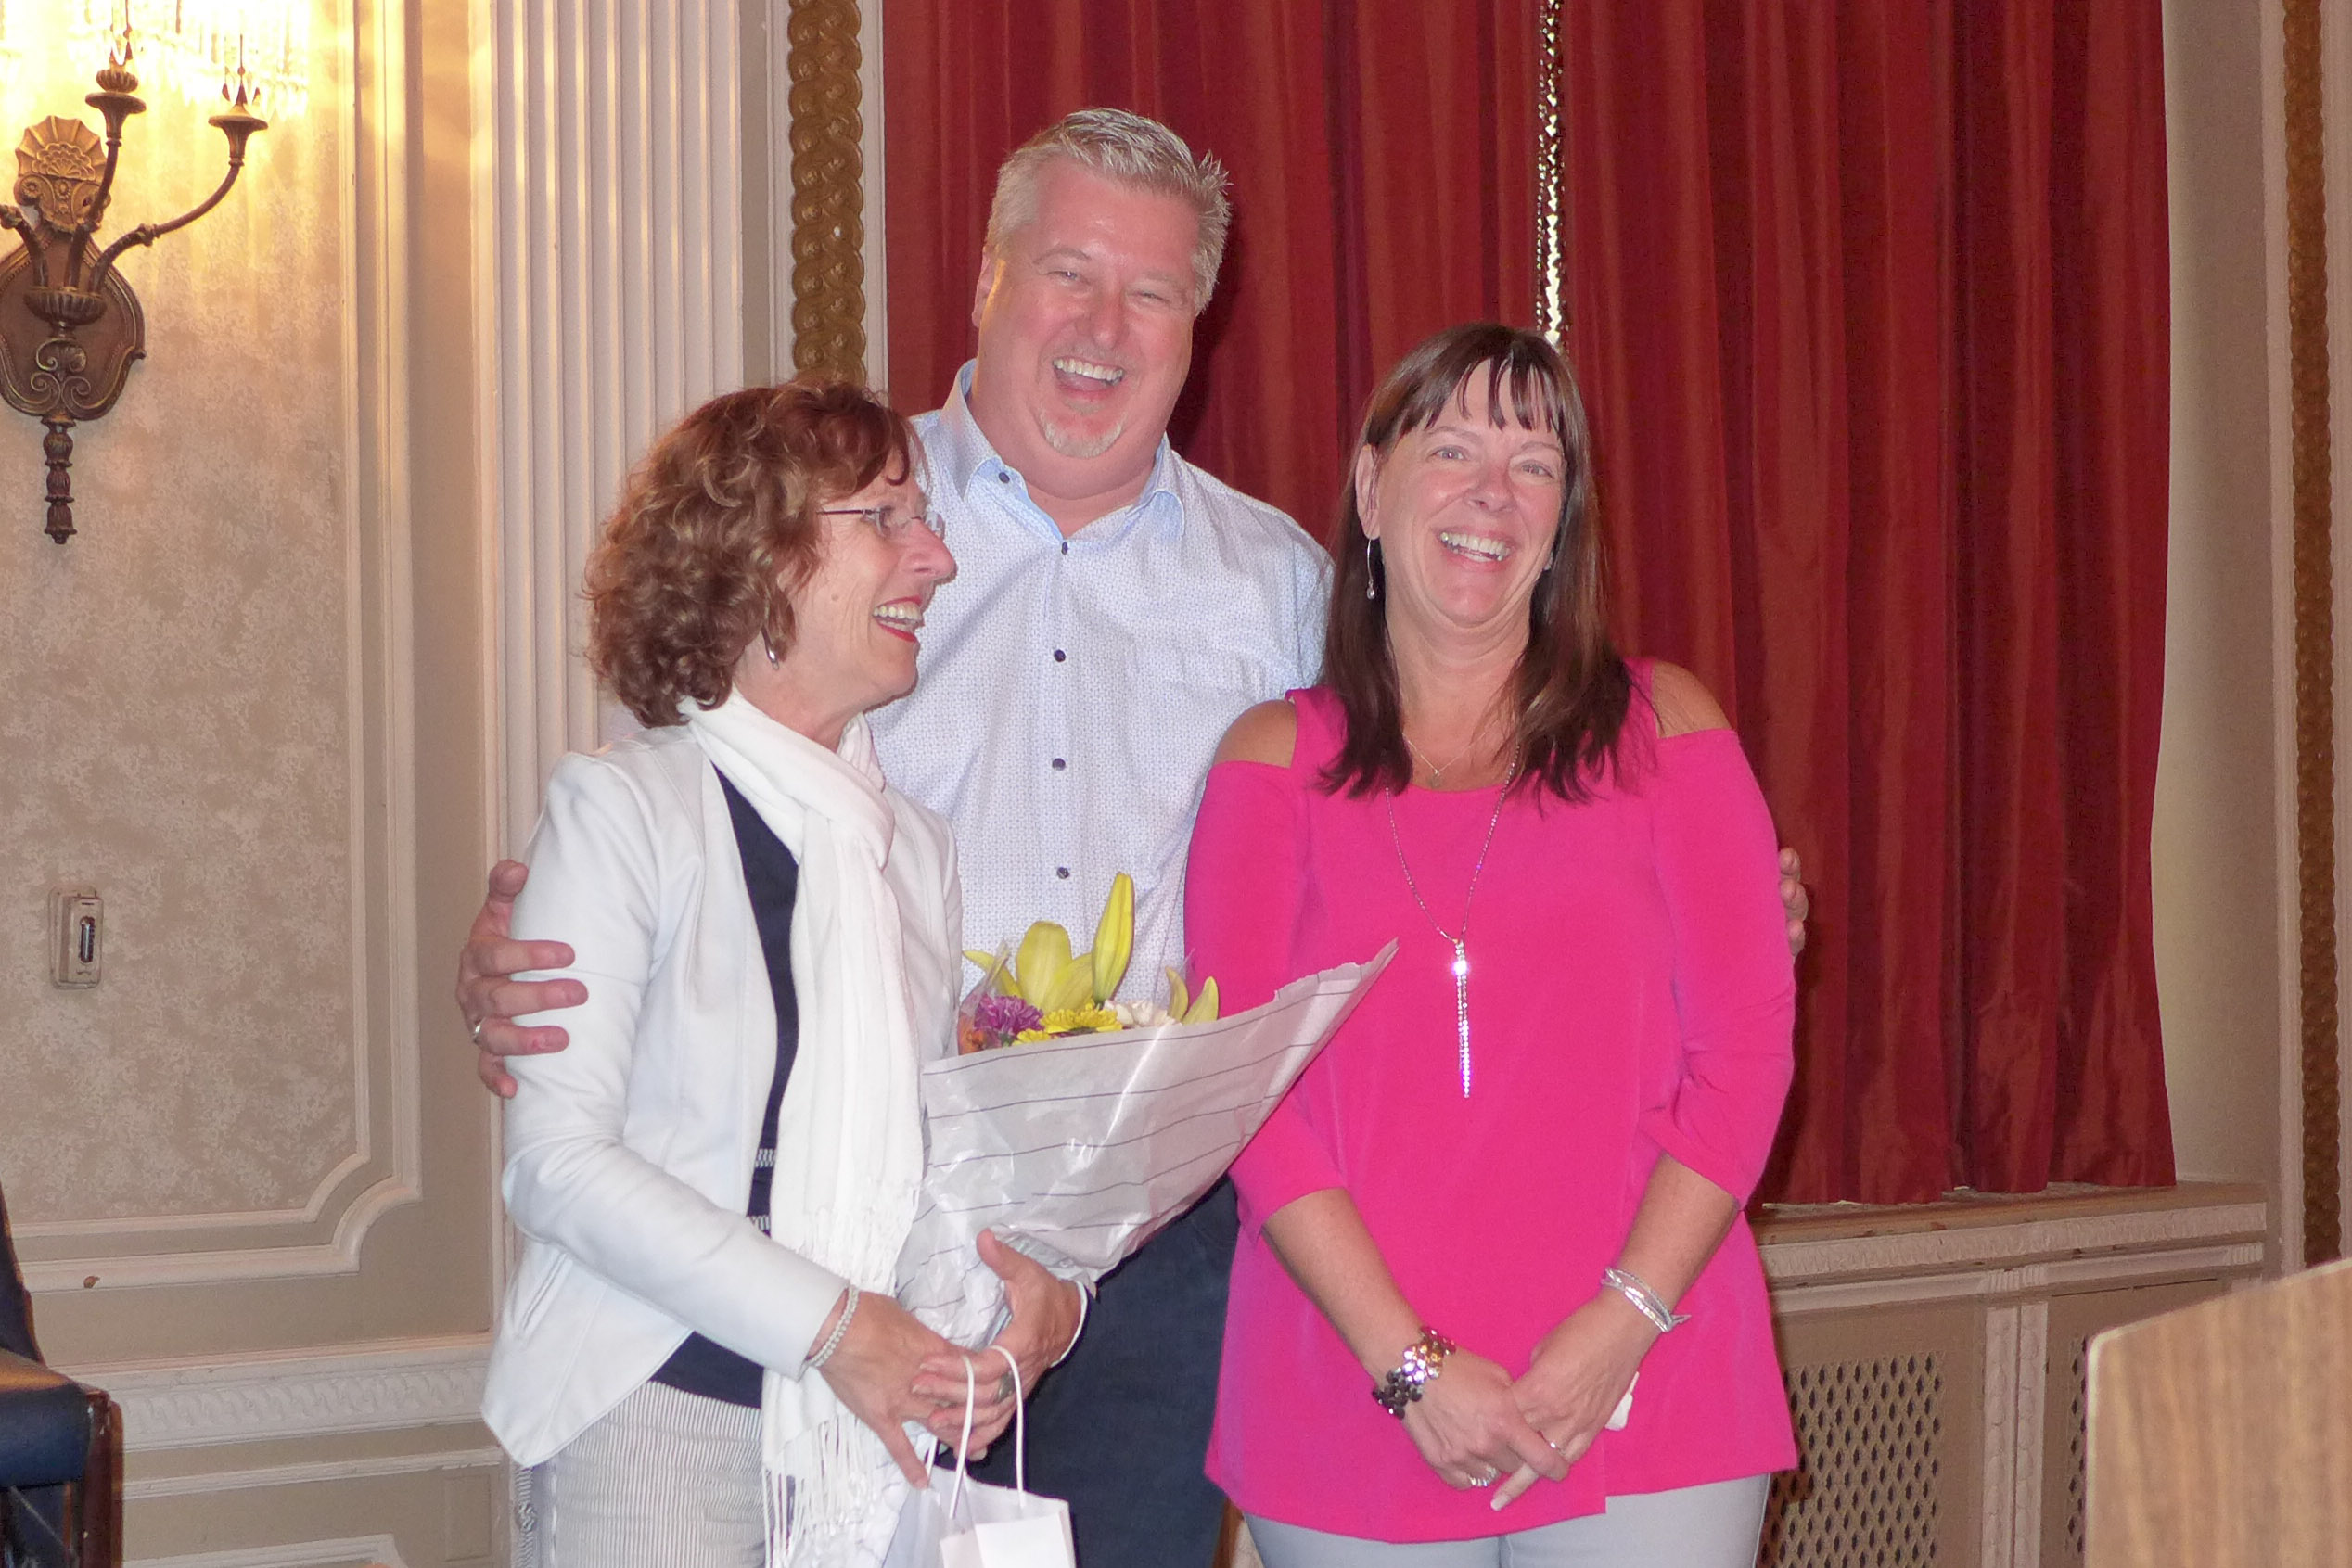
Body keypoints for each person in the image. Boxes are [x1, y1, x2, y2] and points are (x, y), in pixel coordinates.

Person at [458, 111, 1811, 1568]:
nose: (1105, 326)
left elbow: (1457, 810)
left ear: (1198, 326)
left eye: (1153, 293)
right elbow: (674, 797)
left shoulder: (1280, 590)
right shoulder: (838, 527)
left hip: (1158, 1261)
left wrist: (1728, 895)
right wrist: (531, 958)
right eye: (1069, 272)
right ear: (987, 278)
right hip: (859, 1242)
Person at [1183, 324, 1796, 1565]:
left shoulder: (1667, 724)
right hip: (1345, 1381)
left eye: (1534, 464)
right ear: (1371, 486)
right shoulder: (1267, 760)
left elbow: (1745, 1052)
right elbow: (1246, 1097)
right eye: (1451, 447)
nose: (1489, 495)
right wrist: (1410, 1364)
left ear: (1564, 517)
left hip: (1650, 1373)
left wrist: (1617, 1326)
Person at [480, 380, 1080, 1567]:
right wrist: (837, 1328)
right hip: (655, 1408)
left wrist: (1007, 1317)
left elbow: (925, 1161)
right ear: (756, 567)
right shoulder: (622, 811)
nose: (938, 558)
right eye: (885, 518)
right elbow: (557, 1167)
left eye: (926, 518)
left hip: (865, 1428)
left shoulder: (912, 847)